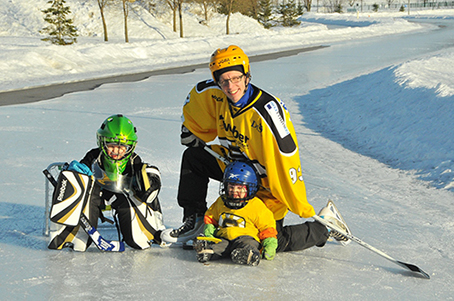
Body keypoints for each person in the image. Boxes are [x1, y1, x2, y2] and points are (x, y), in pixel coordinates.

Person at [160, 45, 350, 253]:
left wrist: (300, 204)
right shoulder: (217, 94)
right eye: (224, 80)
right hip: (233, 170)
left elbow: (288, 159)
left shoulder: (267, 114)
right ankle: (195, 221)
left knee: (262, 239)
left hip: (266, 186)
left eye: (236, 78)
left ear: (247, 76)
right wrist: (192, 129)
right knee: (194, 157)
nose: (231, 86)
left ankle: (322, 228)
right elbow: (199, 94)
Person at [48, 114, 165, 251]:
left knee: (136, 240)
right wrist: (78, 171)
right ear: (102, 142)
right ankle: (70, 235)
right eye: (112, 146)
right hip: (95, 194)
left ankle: (148, 232)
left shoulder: (134, 160)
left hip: (120, 195)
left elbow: (145, 189)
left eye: (122, 147)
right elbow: (80, 177)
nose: (116, 151)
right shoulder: (94, 155)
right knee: (81, 242)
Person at [193, 161, 278, 266]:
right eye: (231, 187)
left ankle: (249, 255)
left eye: (239, 188)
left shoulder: (256, 206)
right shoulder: (221, 201)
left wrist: (269, 245)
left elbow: (267, 228)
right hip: (224, 237)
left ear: (249, 188)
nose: (234, 191)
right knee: (218, 245)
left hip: (246, 237)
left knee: (249, 245)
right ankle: (207, 252)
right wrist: (209, 233)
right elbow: (211, 217)